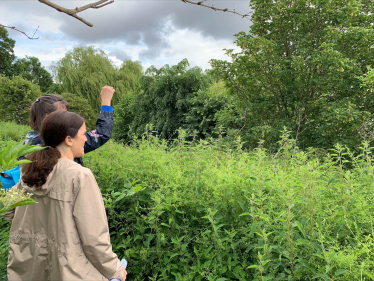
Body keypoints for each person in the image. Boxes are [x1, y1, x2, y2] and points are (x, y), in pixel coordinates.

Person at [2, 111, 127, 281]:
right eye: (83, 134)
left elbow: (7, 210)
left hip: (27, 267)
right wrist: (116, 270)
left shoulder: (28, 169)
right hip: (69, 270)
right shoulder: (80, 176)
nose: (85, 139)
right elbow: (94, 239)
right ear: (69, 140)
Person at [25, 85, 115, 166]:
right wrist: (106, 101)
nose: (67, 117)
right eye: (62, 113)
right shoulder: (61, 142)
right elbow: (101, 134)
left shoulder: (29, 143)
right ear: (48, 117)